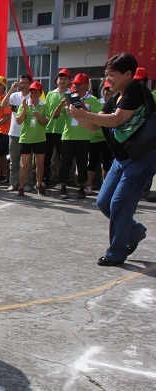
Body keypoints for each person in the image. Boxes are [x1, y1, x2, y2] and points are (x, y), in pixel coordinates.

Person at [67, 52, 156, 266]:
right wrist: (79, 116)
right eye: (107, 74)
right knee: (104, 201)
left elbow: (117, 120)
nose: (108, 79)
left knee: (120, 204)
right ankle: (134, 232)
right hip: (121, 158)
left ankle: (116, 252)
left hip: (141, 158)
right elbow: (97, 126)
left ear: (128, 74)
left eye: (112, 74)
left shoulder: (135, 90)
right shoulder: (115, 96)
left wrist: (85, 115)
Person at [53, 73, 101, 199]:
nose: (77, 87)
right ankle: (63, 187)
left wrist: (84, 108)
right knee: (65, 163)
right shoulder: (69, 98)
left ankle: (82, 188)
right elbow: (55, 116)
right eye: (75, 84)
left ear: (86, 84)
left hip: (84, 137)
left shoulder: (93, 100)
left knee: (82, 163)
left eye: (80, 84)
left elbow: (97, 118)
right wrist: (61, 104)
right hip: (68, 136)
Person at [15, 81, 50, 197]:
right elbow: (19, 121)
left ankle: (39, 184)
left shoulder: (44, 105)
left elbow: (46, 122)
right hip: (26, 139)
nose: (33, 94)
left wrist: (39, 117)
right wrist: (25, 109)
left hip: (40, 138)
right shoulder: (24, 104)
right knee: (24, 164)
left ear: (40, 93)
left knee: (40, 164)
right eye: (32, 92)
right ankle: (21, 186)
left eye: (36, 92)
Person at [1, 75, 34, 192]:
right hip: (14, 132)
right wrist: (11, 90)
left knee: (26, 162)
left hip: (27, 133)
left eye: (25, 83)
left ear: (30, 84)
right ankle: (14, 183)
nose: (23, 85)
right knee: (14, 160)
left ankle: (27, 183)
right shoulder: (14, 96)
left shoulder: (33, 97)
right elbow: (3, 105)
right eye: (21, 83)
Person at [44, 68, 72, 187]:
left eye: (65, 79)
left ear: (69, 81)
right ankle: (46, 179)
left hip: (64, 131)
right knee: (47, 157)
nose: (62, 81)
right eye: (61, 79)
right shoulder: (51, 94)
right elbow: (45, 110)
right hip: (49, 130)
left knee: (63, 158)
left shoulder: (71, 95)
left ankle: (62, 181)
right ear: (57, 81)